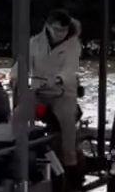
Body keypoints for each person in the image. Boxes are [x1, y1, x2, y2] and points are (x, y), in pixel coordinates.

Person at [29, 9, 82, 174]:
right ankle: (16, 155)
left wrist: (59, 79)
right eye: (57, 29)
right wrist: (15, 77)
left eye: (64, 30)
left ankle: (70, 165)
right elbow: (23, 62)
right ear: (48, 27)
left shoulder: (73, 45)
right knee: (19, 114)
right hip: (40, 92)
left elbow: (70, 68)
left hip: (62, 93)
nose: (60, 33)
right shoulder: (35, 43)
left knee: (66, 119)